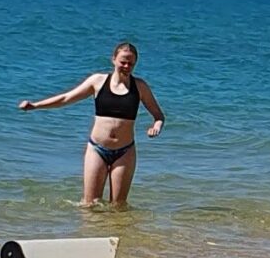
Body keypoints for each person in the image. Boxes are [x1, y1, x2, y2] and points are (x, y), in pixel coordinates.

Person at [18, 39, 166, 207]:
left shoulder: (140, 87)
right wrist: (35, 106)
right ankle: (92, 231)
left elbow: (159, 115)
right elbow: (66, 98)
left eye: (130, 63)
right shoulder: (98, 81)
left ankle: (119, 233)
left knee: (119, 206)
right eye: (123, 62)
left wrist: (156, 127)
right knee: (89, 204)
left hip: (125, 152)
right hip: (97, 149)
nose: (126, 66)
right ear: (113, 59)